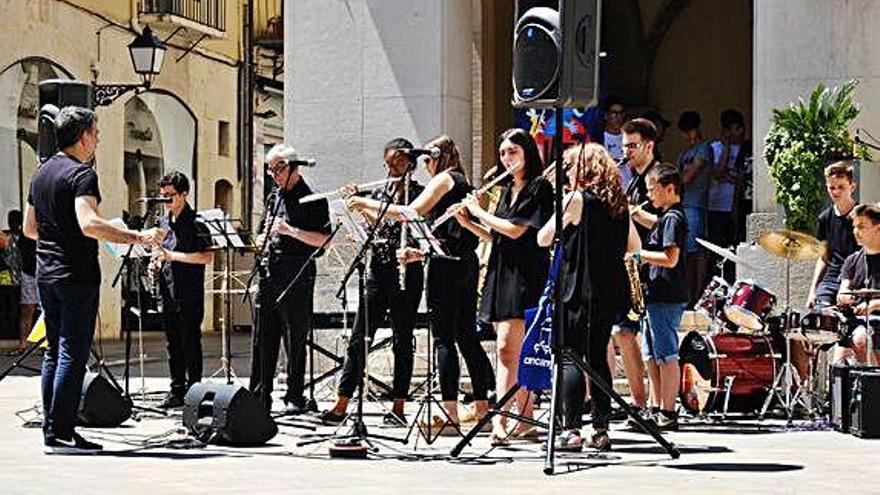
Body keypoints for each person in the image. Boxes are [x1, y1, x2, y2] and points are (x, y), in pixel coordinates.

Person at [24, 106, 163, 452]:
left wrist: (59, 237)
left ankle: (53, 428)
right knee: (72, 352)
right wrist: (137, 237)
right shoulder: (81, 175)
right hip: (76, 276)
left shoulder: (40, 174)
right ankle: (62, 432)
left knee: (53, 353)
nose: (98, 139)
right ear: (83, 136)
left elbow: (29, 229)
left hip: (46, 274)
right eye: (97, 133)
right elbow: (88, 223)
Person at [347, 135, 494, 435]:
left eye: (426, 160)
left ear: (437, 157)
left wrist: (363, 201)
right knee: (466, 337)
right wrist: (370, 212)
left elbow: (409, 212)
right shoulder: (461, 181)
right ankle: (483, 409)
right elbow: (439, 231)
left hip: (446, 269)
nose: (424, 167)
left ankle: (450, 415)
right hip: (461, 262)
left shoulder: (444, 179)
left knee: (444, 339)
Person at [537, 143, 640, 451]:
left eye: (569, 167)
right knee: (598, 357)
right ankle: (601, 428)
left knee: (569, 355)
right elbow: (633, 247)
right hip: (607, 290)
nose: (566, 172)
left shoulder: (575, 199)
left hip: (576, 289)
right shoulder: (618, 204)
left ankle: (569, 430)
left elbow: (543, 238)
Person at [454, 128, 553, 444]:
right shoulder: (507, 189)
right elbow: (497, 237)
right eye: (502, 153)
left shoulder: (540, 188)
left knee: (507, 349)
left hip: (525, 274)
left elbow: (515, 231)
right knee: (514, 351)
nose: (506, 158)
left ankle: (500, 419)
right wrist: (469, 224)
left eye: (512, 151)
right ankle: (525, 419)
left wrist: (479, 211)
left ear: (527, 153)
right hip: (502, 270)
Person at [320, 139, 425, 427]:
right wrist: (355, 206)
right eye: (388, 164)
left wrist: (366, 204)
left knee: (402, 340)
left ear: (410, 165)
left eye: (398, 164)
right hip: (378, 268)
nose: (392, 169)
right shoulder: (380, 192)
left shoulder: (418, 194)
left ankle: (399, 406)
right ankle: (342, 402)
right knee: (359, 337)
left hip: (407, 272)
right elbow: (373, 227)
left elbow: (404, 223)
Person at [250, 144, 331, 414]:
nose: (274, 175)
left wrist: (290, 230)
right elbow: (260, 232)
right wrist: (259, 239)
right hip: (269, 273)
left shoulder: (313, 199)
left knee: (294, 337)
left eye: (279, 169)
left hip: (296, 275)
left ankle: (295, 394)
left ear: (294, 167)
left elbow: (323, 241)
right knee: (263, 336)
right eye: (270, 169)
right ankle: (260, 394)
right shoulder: (273, 197)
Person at [630, 164, 688, 431]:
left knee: (667, 355)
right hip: (655, 295)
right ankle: (655, 407)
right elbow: (656, 223)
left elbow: (671, 258)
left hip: (667, 295)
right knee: (651, 355)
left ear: (669, 189)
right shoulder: (666, 218)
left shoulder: (674, 218)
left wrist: (638, 256)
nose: (649, 195)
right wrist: (636, 214)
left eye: (653, 190)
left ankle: (668, 410)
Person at [151, 172, 214, 408]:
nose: (166, 200)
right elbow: (161, 253)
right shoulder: (163, 222)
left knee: (190, 341)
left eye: (170, 196)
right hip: (167, 291)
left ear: (184, 194)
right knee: (172, 343)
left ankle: (194, 391)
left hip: (189, 293)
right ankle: (176, 390)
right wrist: (156, 263)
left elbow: (207, 257)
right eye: (163, 195)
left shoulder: (197, 223)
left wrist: (172, 256)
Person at [613, 118, 658, 417]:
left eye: (633, 145)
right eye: (624, 145)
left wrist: (633, 214)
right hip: (630, 268)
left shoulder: (661, 177)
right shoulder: (630, 179)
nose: (626, 151)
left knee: (651, 340)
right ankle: (639, 403)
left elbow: (669, 223)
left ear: (649, 146)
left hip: (654, 267)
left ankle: (658, 404)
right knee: (623, 333)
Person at [807, 162, 859, 308]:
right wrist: (813, 291)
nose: (836, 192)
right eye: (832, 187)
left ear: (852, 187)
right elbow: (823, 258)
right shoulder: (824, 218)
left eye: (841, 187)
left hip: (856, 279)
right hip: (831, 280)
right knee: (820, 314)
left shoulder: (862, 217)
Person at [675, 111, 713, 306]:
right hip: (685, 204)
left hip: (696, 204)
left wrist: (675, 179)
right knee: (689, 252)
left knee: (696, 252)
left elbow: (686, 177)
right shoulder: (685, 153)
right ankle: (689, 294)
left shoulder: (704, 149)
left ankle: (697, 294)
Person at [835, 204, 880, 365]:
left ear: (878, 228)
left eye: (861, 227)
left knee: (861, 338)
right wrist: (843, 297)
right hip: (857, 321)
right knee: (839, 363)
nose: (855, 232)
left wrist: (874, 305)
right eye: (854, 227)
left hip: (876, 319)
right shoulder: (852, 260)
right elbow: (843, 290)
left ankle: (873, 387)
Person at [707, 110, 747, 260]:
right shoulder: (715, 147)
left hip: (737, 204)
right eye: (736, 129)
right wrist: (727, 147)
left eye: (741, 128)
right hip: (717, 204)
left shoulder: (747, 148)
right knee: (717, 246)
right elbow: (717, 172)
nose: (741, 132)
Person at [5, 210, 39, 354]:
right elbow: (20, 254)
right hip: (29, 272)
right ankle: (23, 344)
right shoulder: (25, 232)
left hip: (45, 272)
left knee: (48, 311)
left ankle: (47, 345)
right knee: (27, 309)